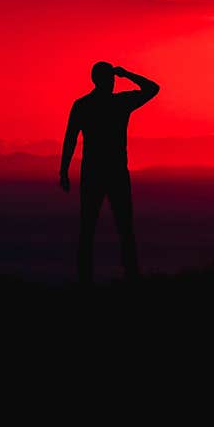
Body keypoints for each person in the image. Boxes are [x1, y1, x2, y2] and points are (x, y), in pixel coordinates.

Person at [59, 62, 160, 284]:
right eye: (111, 79)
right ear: (106, 80)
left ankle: (86, 281)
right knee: (123, 227)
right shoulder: (120, 103)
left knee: (89, 228)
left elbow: (70, 140)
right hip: (115, 173)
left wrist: (64, 171)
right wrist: (127, 74)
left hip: (94, 173)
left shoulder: (83, 105)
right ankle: (130, 277)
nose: (113, 83)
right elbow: (152, 88)